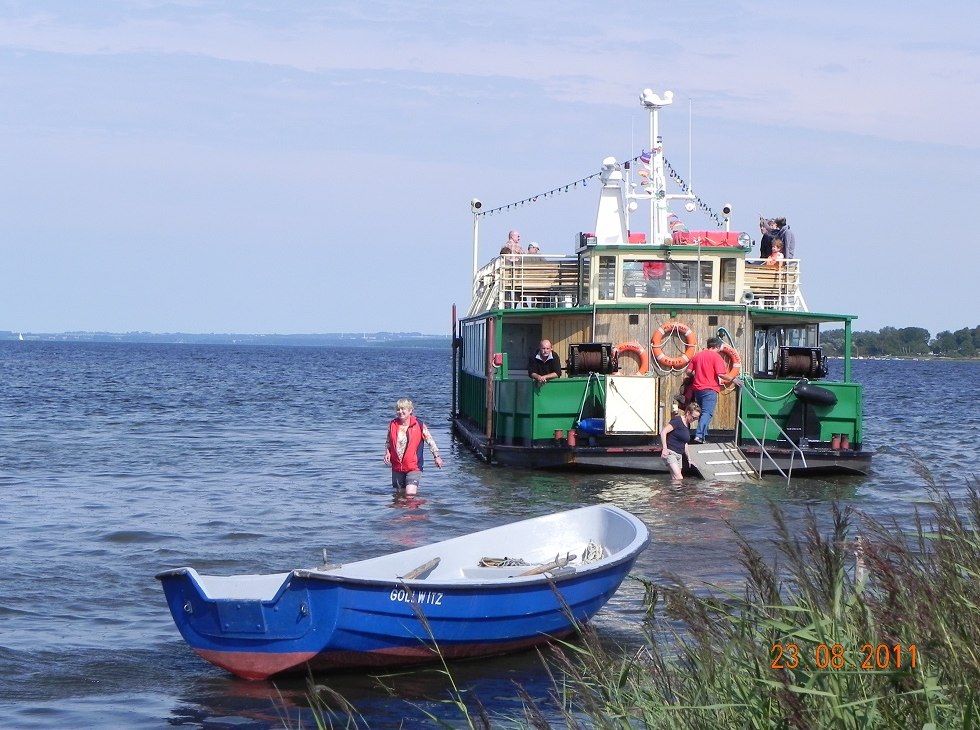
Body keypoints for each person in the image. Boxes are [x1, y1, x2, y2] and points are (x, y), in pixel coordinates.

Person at [383, 398, 443, 496]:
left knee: (410, 495)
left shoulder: (418, 425)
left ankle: (415, 511)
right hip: (397, 466)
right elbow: (388, 441)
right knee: (399, 497)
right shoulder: (393, 424)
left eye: (403, 409)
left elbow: (430, 441)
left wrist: (436, 457)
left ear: (410, 410)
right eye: (398, 409)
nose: (400, 412)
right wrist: (387, 452)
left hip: (414, 466)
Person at [684, 336, 736, 443]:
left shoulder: (697, 356)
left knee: (702, 413)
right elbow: (721, 374)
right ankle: (699, 436)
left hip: (698, 389)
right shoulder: (716, 357)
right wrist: (732, 378)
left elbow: (688, 372)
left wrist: (697, 373)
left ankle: (703, 437)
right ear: (716, 346)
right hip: (710, 389)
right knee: (707, 413)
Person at [660, 402, 701, 480]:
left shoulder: (687, 424)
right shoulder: (677, 420)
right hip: (671, 453)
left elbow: (685, 443)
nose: (694, 420)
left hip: (679, 456)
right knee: (679, 478)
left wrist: (689, 459)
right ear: (688, 413)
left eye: (696, 418)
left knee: (675, 479)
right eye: (693, 417)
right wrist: (664, 449)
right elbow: (663, 432)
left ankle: (668, 492)